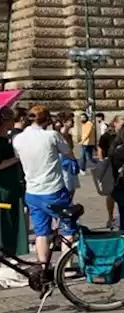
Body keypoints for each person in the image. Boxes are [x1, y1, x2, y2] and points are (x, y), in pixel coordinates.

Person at [14, 106, 76, 264]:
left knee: (41, 232)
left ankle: (43, 266)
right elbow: (68, 152)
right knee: (67, 226)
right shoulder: (51, 135)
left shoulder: (18, 139)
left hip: (32, 191)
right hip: (53, 189)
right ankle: (66, 266)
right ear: (47, 119)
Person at [0, 108, 25, 256]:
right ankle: (7, 251)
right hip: (5, 189)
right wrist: (17, 158)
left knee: (10, 219)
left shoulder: (6, 139)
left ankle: (9, 250)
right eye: (10, 119)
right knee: (7, 220)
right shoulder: (1, 143)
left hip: (10, 187)